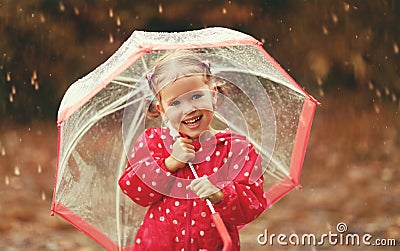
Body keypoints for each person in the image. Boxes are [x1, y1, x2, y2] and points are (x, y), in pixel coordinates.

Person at [119, 51, 267, 251]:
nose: (188, 109)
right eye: (175, 103)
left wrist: (221, 194)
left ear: (213, 94)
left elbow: (252, 204)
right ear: (161, 109)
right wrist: (170, 163)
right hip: (159, 244)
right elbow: (135, 189)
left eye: (196, 96)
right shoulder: (154, 142)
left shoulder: (236, 149)